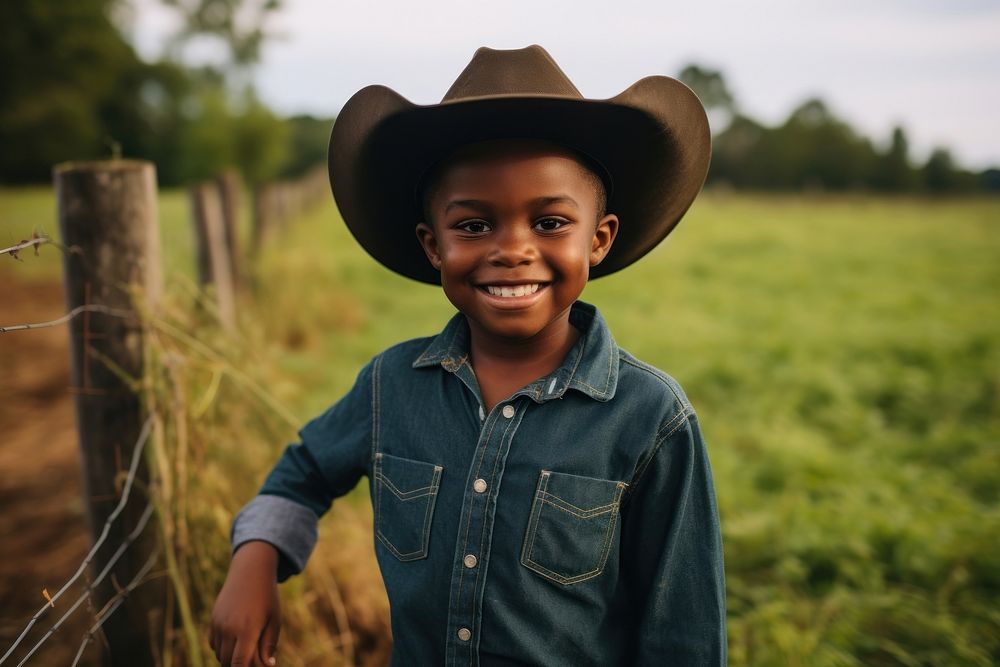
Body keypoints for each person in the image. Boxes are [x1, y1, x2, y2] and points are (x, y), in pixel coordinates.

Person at [210, 45, 726, 666]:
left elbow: (684, 631)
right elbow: (303, 473)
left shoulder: (650, 418)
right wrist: (256, 558)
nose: (512, 250)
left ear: (599, 239)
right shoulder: (391, 387)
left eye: (550, 223)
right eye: (474, 226)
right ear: (433, 245)